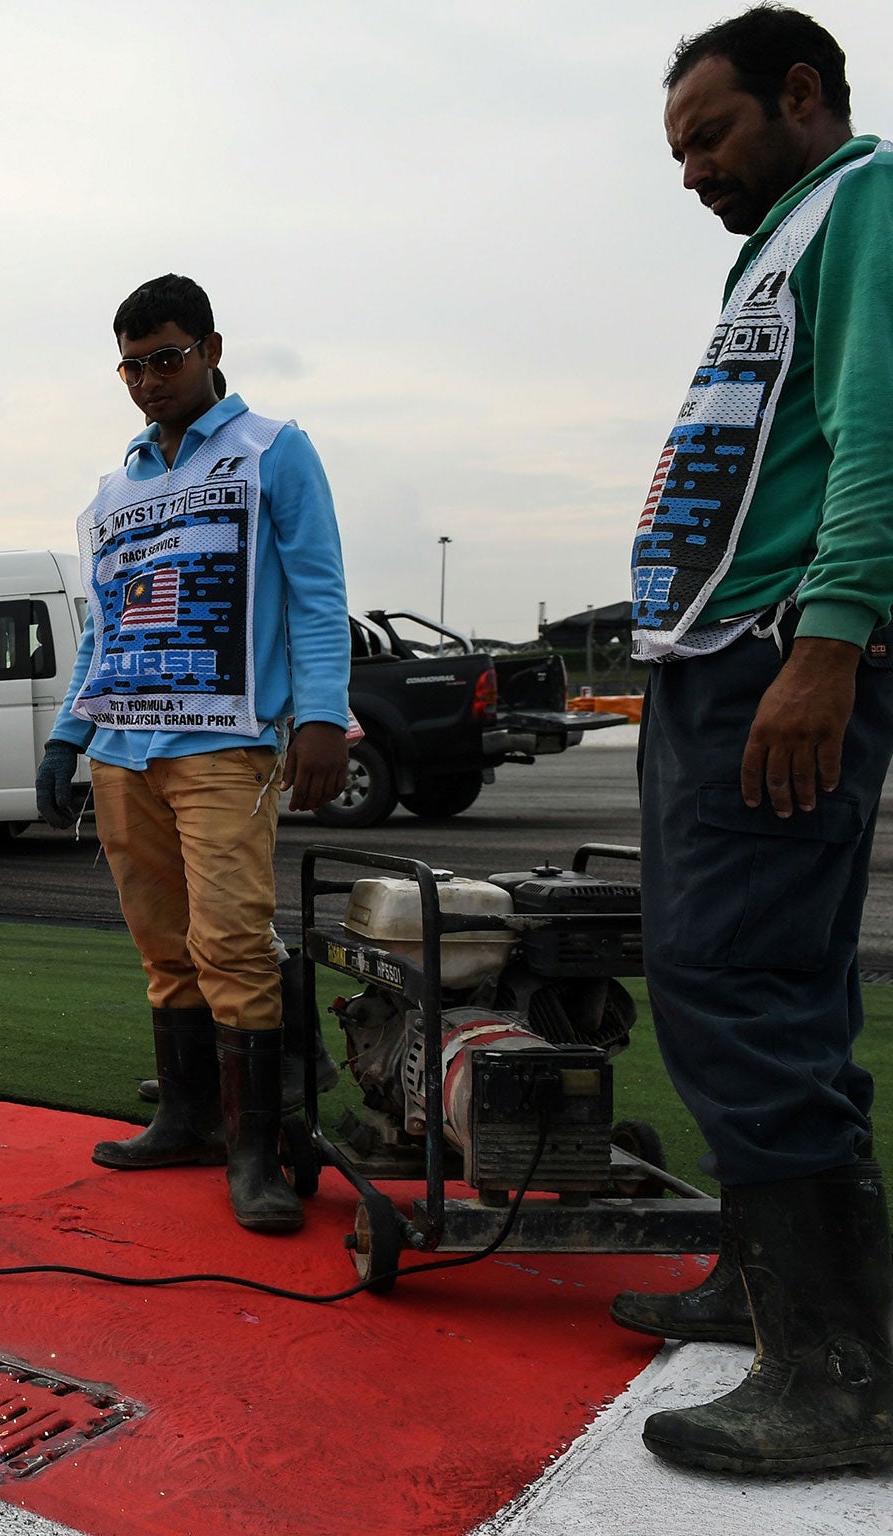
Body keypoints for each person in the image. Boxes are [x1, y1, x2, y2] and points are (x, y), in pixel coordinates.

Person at [607, 8, 893, 1477]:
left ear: (802, 94)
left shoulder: (866, 201)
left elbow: (878, 426)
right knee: (743, 976)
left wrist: (831, 637)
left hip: (784, 658)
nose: (691, 171)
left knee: (744, 982)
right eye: (678, 149)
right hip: (720, 661)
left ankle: (839, 1371)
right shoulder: (779, 237)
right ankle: (772, 1288)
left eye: (709, 136)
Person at [34, 274, 349, 1234]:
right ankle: (186, 1116)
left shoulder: (274, 453)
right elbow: (106, 622)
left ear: (212, 349)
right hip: (125, 749)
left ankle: (254, 1155)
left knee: (231, 945)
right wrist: (68, 733)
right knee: (163, 949)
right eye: (130, 365)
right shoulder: (118, 485)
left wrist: (324, 716)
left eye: (165, 359)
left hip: (226, 746)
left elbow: (319, 590)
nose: (147, 381)